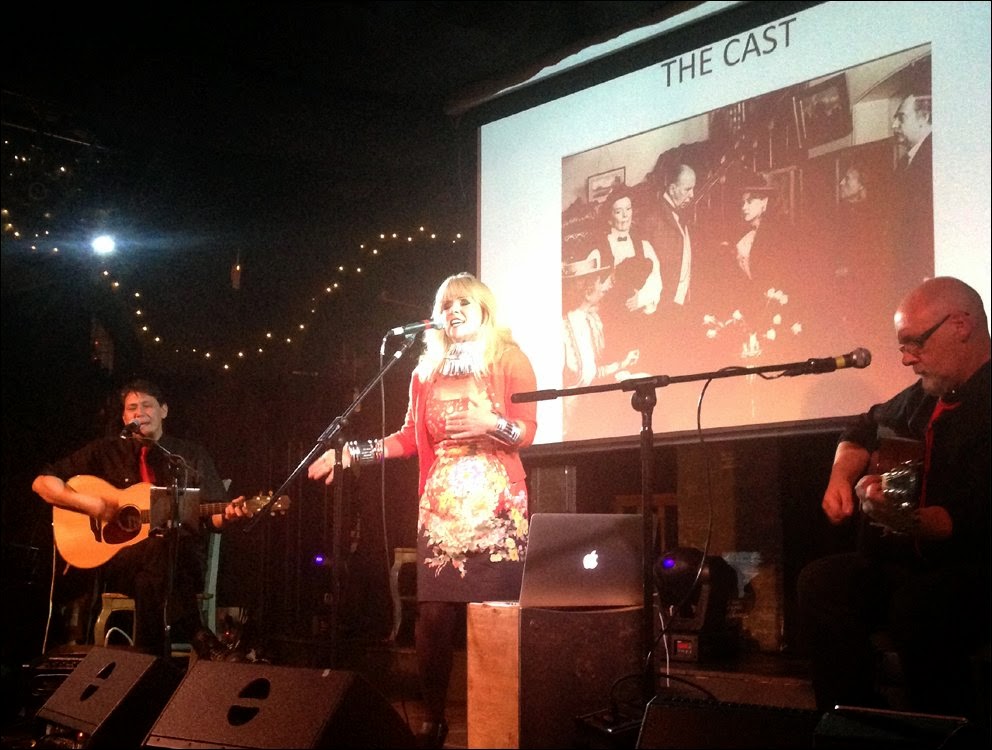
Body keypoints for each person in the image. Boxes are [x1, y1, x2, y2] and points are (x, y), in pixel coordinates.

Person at [308, 272, 537, 749]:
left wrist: (489, 422)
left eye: (464, 303)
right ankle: (434, 720)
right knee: (433, 614)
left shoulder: (509, 358)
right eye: (446, 305)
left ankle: (500, 719)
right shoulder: (425, 372)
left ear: (484, 310)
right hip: (443, 506)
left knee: (495, 613)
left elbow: (527, 431)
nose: (454, 311)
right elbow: (409, 438)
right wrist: (350, 453)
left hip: (497, 504)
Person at [797, 276, 990, 720]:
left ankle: (946, 730)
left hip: (975, 568)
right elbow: (861, 429)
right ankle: (855, 722)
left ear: (961, 325)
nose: (906, 359)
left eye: (915, 343)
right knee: (822, 582)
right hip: (917, 564)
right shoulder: (925, 397)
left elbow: (969, 519)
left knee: (919, 607)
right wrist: (840, 478)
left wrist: (900, 519)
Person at [32, 378, 252, 658]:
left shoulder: (188, 456)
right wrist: (89, 503)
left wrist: (228, 515)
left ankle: (149, 663)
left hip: (181, 560)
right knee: (154, 559)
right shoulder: (105, 451)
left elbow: (213, 517)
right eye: (132, 408)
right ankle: (198, 635)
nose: (139, 413)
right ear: (125, 418)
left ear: (164, 410)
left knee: (154, 562)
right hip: (117, 564)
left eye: (147, 405)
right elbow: (42, 482)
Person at [593, 183, 661, 366]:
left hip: (638, 320)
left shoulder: (644, 245)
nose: (625, 216)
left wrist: (641, 299)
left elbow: (656, 280)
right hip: (611, 321)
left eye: (628, 209)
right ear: (609, 217)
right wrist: (613, 279)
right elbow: (591, 287)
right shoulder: (599, 248)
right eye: (618, 211)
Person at [889, 91, 935, 291]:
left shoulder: (935, 156)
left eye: (901, 118)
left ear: (924, 118)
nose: (894, 125)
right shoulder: (903, 164)